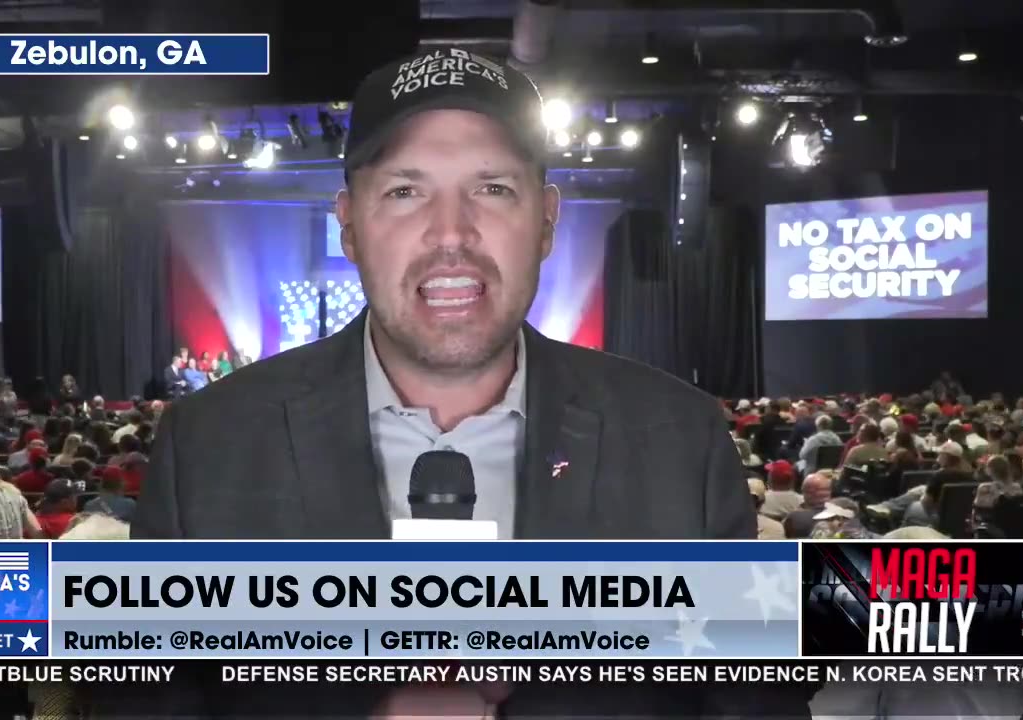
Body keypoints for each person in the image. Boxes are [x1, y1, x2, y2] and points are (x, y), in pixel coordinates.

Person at [128, 46, 792, 720]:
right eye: (404, 191)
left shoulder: (680, 441)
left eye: (493, 188)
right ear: (350, 225)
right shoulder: (207, 448)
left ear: (547, 220)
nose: (451, 233)